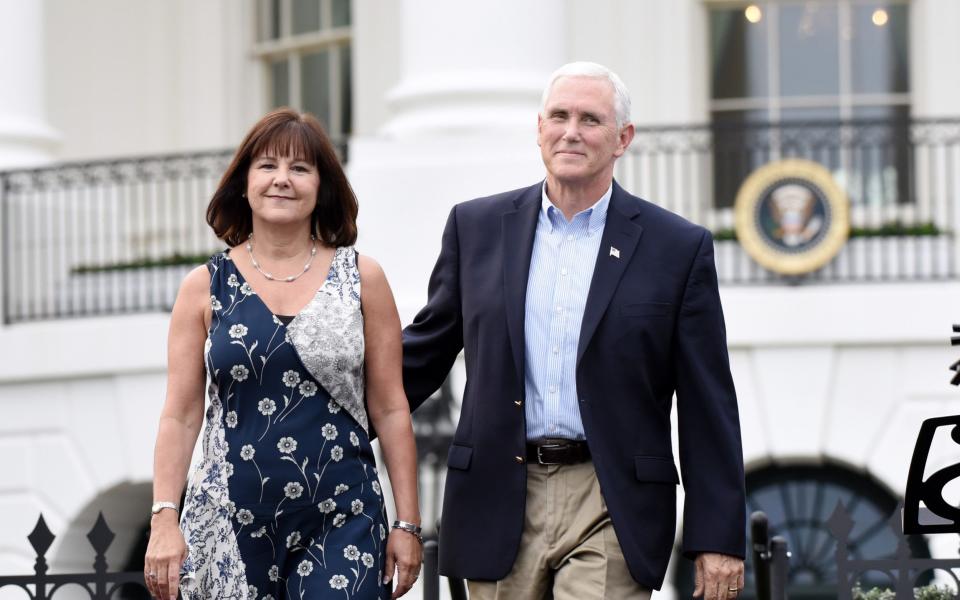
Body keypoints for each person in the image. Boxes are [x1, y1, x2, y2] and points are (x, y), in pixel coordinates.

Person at [402, 62, 746, 599]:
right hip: (499, 489)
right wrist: (326, 425)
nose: (571, 131)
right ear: (539, 127)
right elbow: (420, 356)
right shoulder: (475, 229)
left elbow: (708, 403)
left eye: (590, 119)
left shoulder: (677, 248)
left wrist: (718, 535)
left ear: (622, 139)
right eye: (559, 116)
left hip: (610, 499)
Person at [144, 108, 422, 600]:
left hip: (343, 516)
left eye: (300, 168)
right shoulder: (203, 287)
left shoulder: (364, 279)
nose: (282, 180)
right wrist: (165, 515)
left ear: (322, 186)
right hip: (228, 518)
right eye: (268, 166)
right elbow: (182, 414)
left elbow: (391, 406)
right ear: (245, 182)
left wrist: (408, 523)